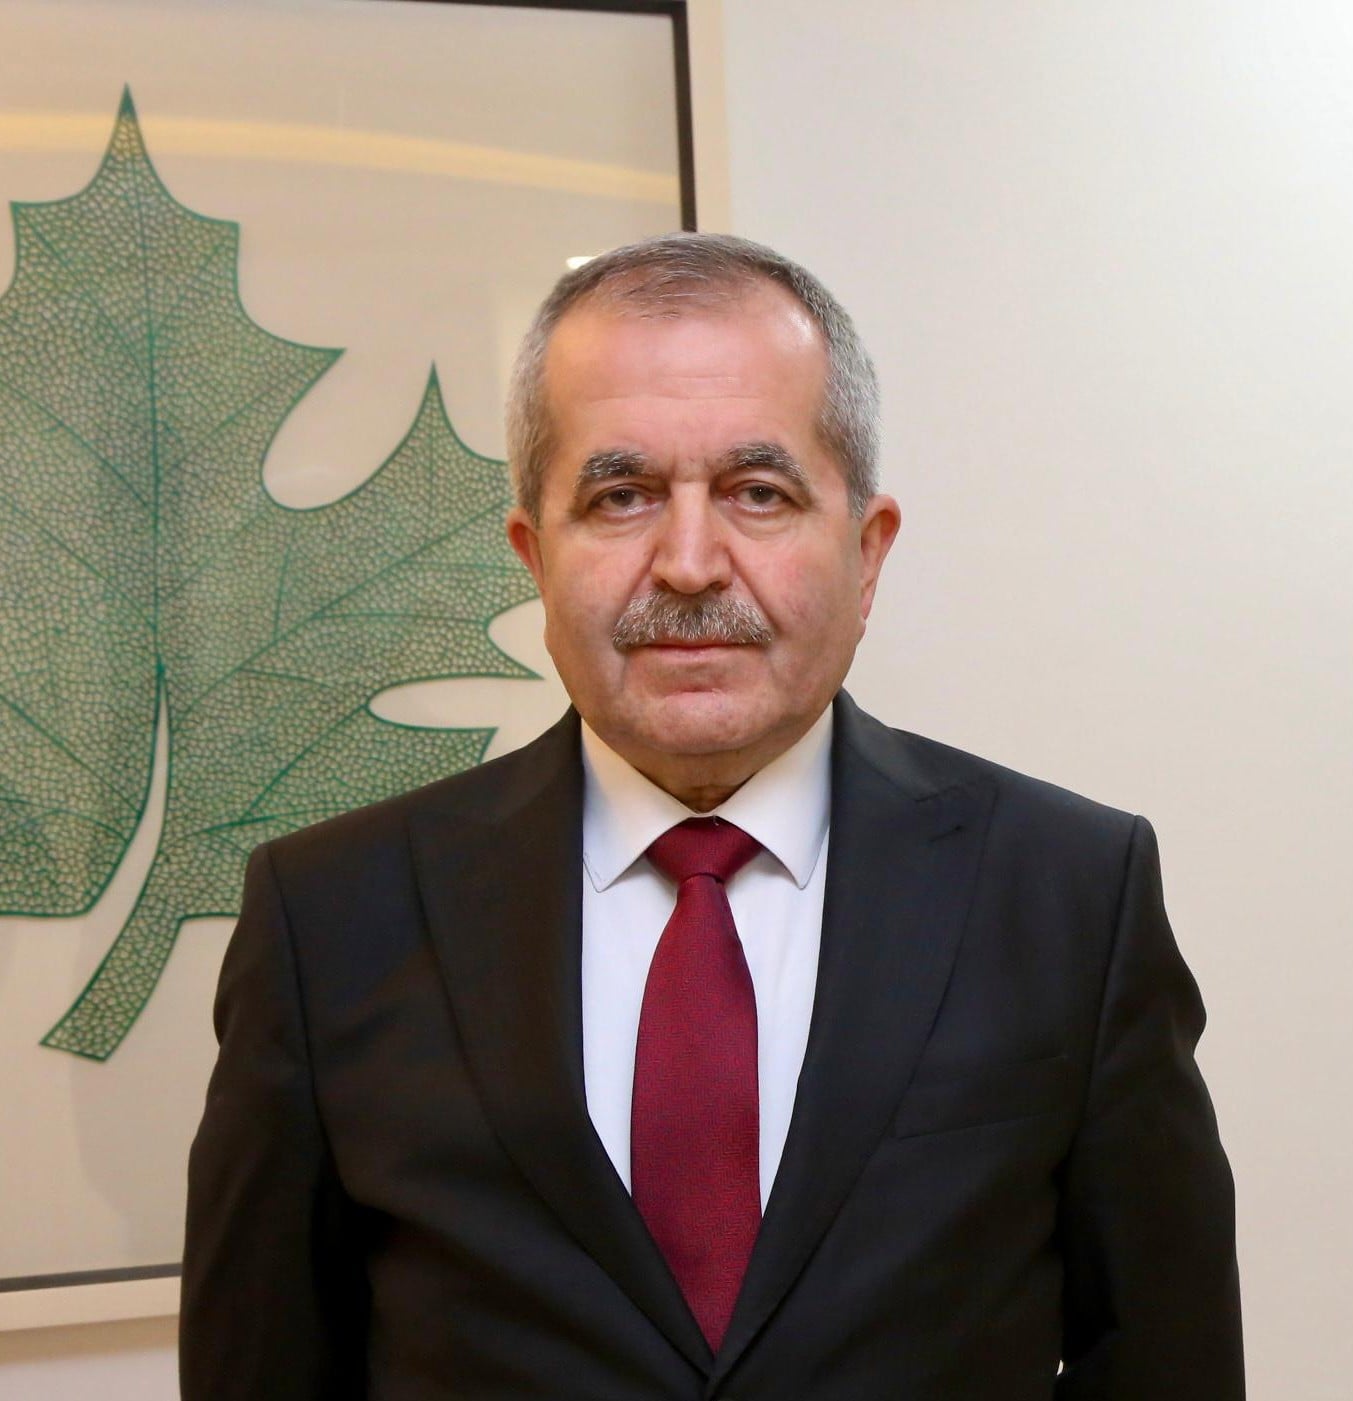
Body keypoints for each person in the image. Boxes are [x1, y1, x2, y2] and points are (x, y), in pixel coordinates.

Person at [180, 233, 1244, 1399]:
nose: (689, 563)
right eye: (621, 497)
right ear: (535, 558)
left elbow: (1166, 1365)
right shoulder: (330, 920)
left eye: (758, 493)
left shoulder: (1070, 896)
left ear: (867, 554)